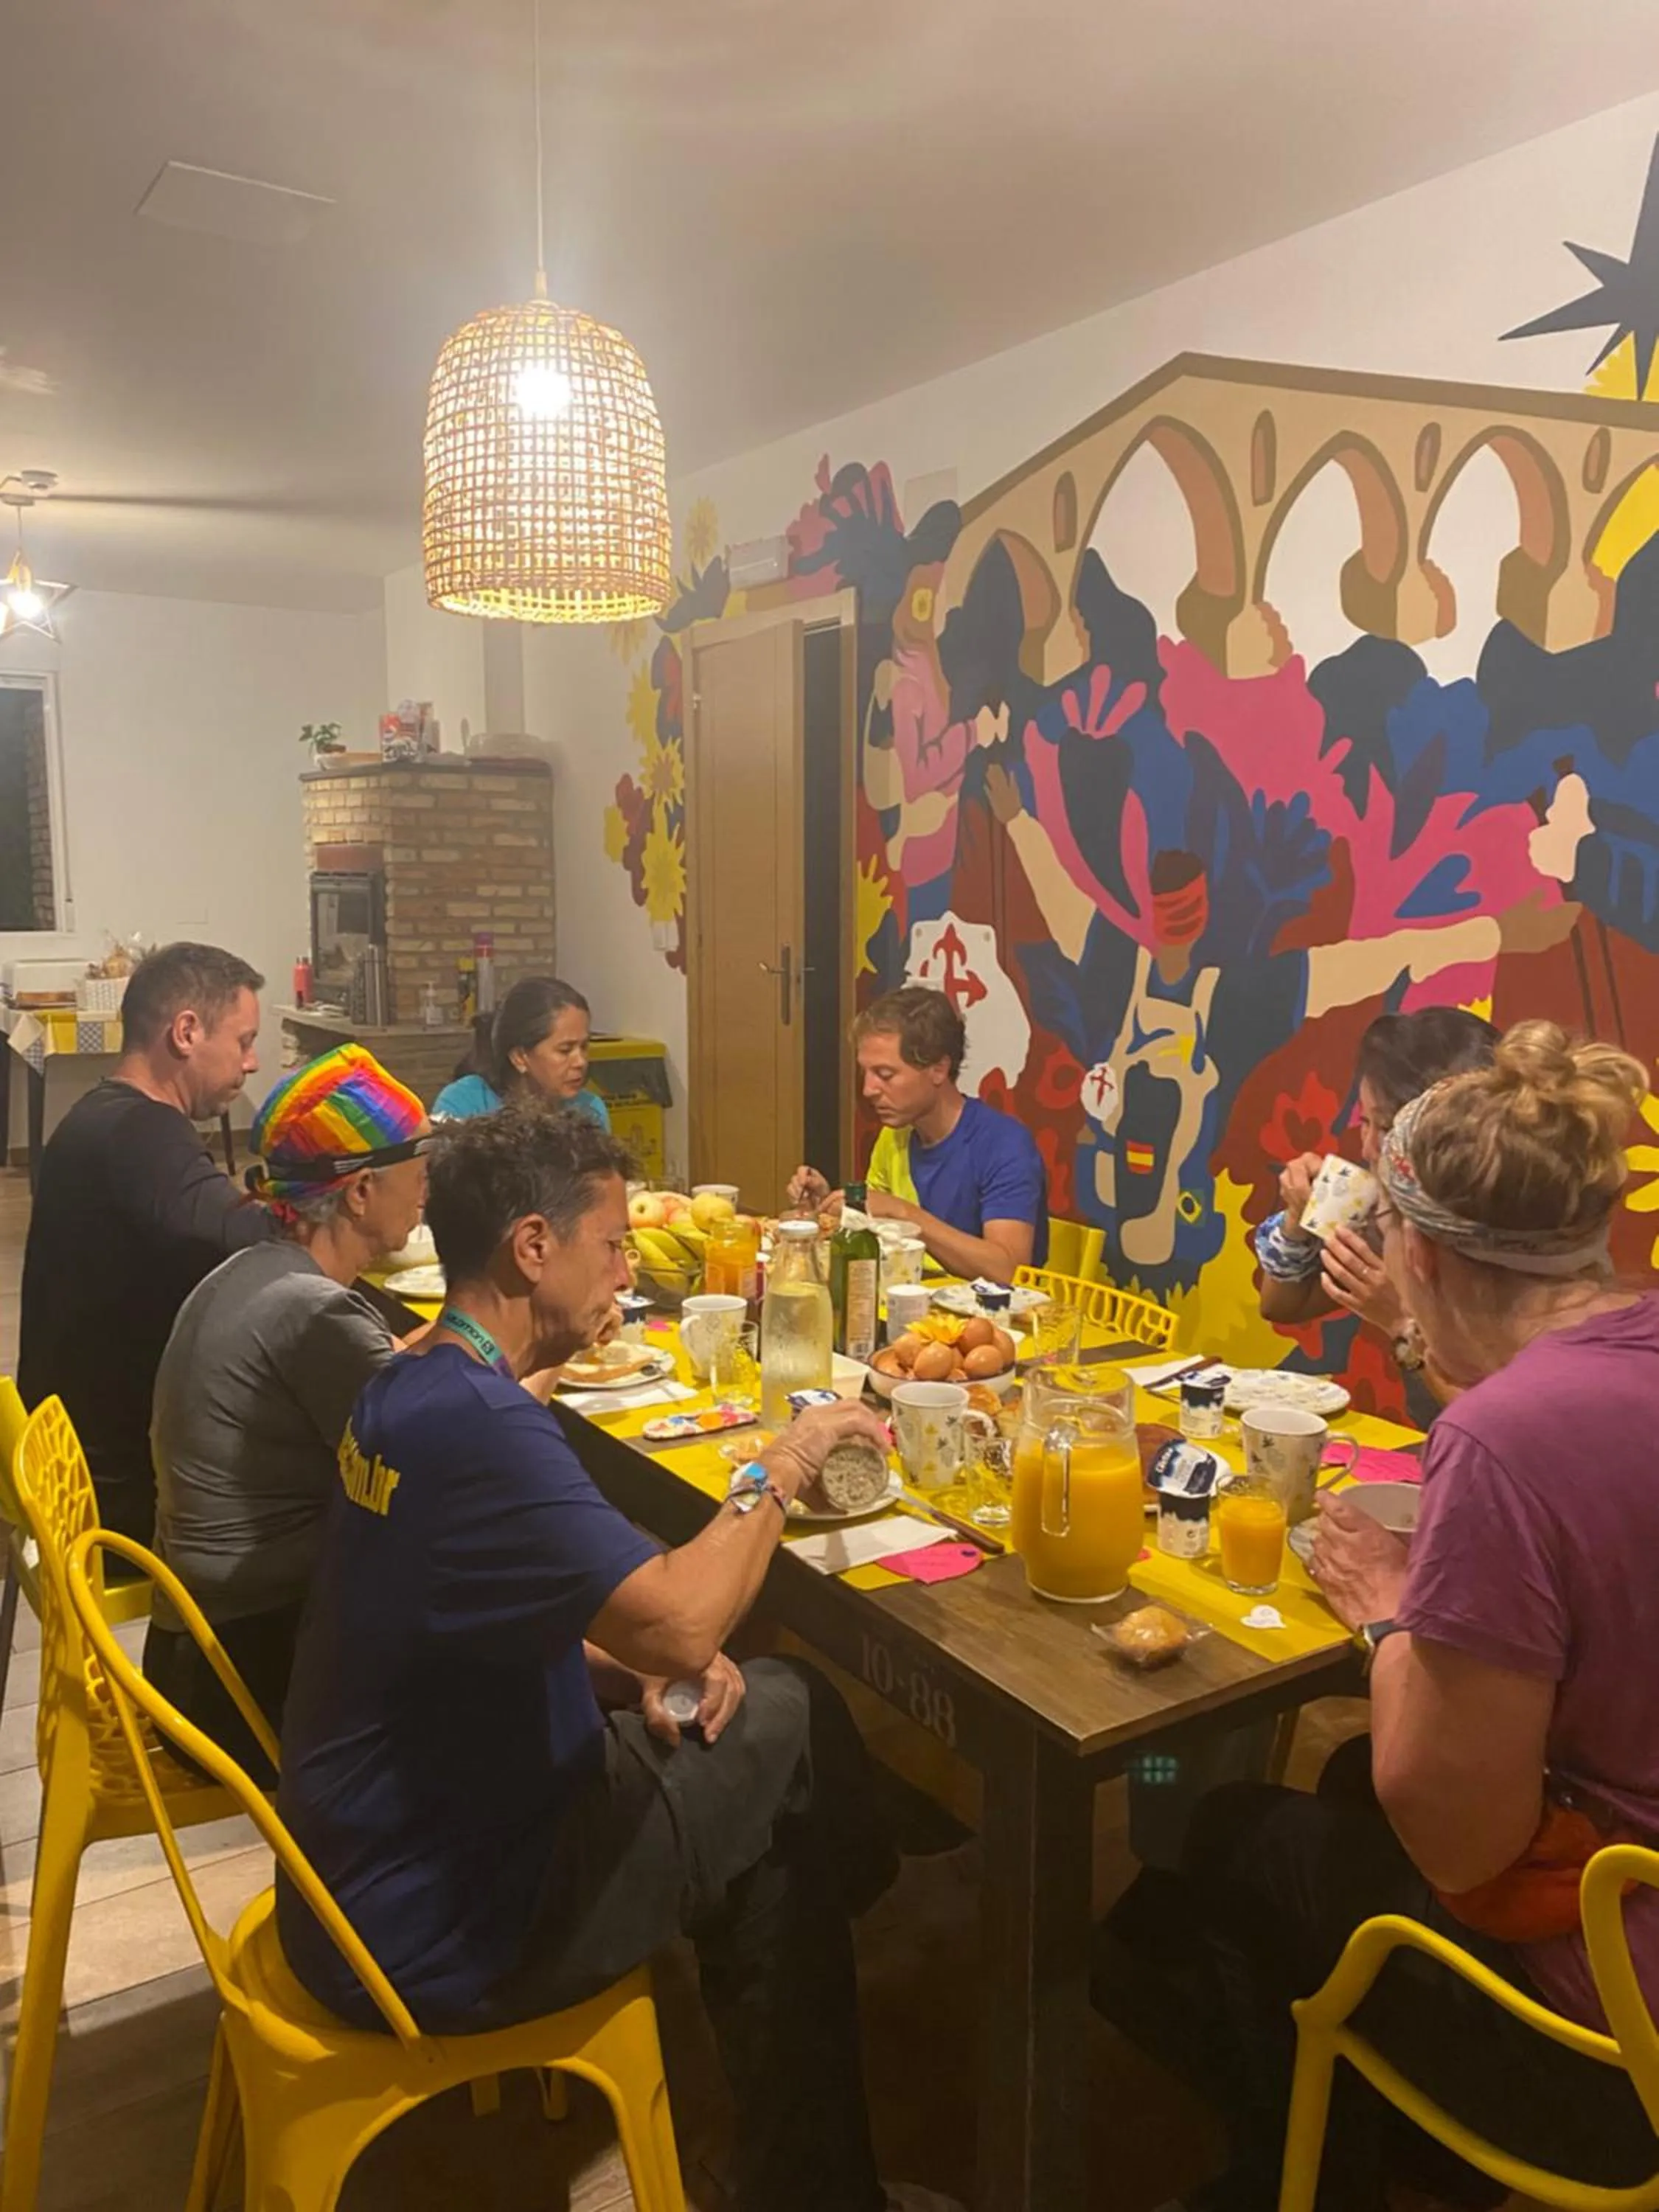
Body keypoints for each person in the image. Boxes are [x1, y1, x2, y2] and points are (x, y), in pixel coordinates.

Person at [276, 1099, 959, 2212]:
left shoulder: (411, 1381)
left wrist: (619, 1669)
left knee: (768, 1748)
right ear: (531, 1248)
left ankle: (809, 2155)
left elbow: (467, 1625)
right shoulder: (482, 1427)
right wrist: (781, 1461)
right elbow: (689, 1620)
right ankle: (825, 2150)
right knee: (784, 1728)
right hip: (440, 1924)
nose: (627, 1268)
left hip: (353, 1871)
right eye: (611, 1244)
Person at [1111, 1022, 1659, 2211]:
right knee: (1352, 1778)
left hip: (1610, 2047)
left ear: (1433, 1259)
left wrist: (1392, 1616)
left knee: (1220, 1843)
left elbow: (1460, 1840)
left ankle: (1304, 2176)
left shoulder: (1503, 1441)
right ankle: (1395, 2139)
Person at [144, 1046, 431, 1777]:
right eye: (418, 1169)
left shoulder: (263, 1273)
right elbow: (455, 1449)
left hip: (195, 1647)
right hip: (240, 1679)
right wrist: (549, 1343)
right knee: (488, 1626)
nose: (427, 1188)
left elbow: (400, 1372)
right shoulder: (314, 1313)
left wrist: (484, 1328)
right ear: (361, 1191)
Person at [18, 941, 276, 1545]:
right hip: (113, 1493)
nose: (254, 1062)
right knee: (324, 1496)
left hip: (64, 1464)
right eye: (243, 1041)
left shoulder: (97, 1118)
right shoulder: (142, 1134)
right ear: (186, 1032)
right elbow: (256, 1242)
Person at [1253, 1006, 1498, 1419]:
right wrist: (1298, 1226)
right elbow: (1283, 1307)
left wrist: (1403, 1321)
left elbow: (1498, 1426)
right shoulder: (1392, 1215)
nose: (1366, 1148)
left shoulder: (1510, 1245)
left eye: (1384, 1129)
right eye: (1364, 1122)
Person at [788, 986, 1048, 1279]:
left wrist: (905, 1214)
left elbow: (1008, 1269)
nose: (868, 1090)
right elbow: (881, 1238)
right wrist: (833, 1208)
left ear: (938, 1069)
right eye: (866, 1073)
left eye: (885, 1075)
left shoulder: (1004, 1144)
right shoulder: (894, 1136)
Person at [431, 976, 611, 1128]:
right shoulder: (464, 1103)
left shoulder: (590, 1109)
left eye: (584, 1047)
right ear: (519, 1057)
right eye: (565, 1050)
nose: (580, 1062)